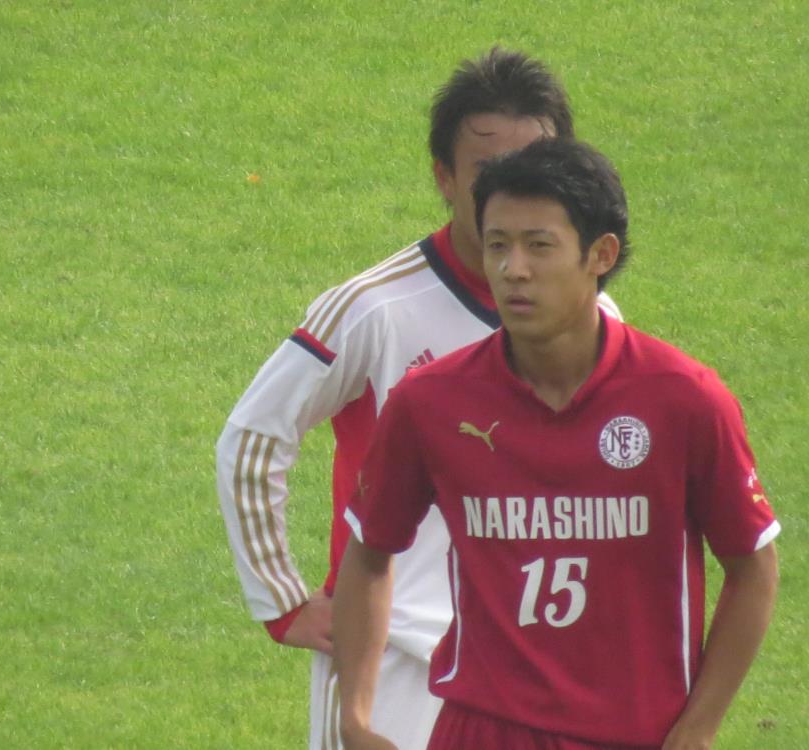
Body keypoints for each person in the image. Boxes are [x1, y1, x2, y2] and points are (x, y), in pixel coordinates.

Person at [216, 49, 622, 749]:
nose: (512, 189)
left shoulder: (595, 319)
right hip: (394, 663)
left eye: (536, 165)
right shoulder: (374, 309)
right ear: (444, 177)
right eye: (489, 172)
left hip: (536, 663)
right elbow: (254, 439)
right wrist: (283, 603)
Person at [334, 137, 780, 750]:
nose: (513, 269)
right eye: (497, 245)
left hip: (634, 737)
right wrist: (354, 719)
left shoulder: (684, 400)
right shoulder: (430, 402)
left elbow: (753, 566)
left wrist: (699, 728)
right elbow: (368, 552)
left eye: (539, 246)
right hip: (478, 733)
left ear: (600, 254)